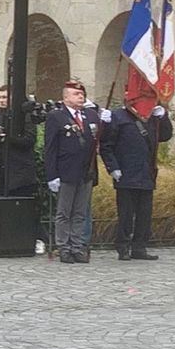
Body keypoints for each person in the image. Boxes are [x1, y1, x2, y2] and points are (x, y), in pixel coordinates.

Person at [100, 102, 173, 261]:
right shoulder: (118, 116)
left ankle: (139, 247)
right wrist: (113, 167)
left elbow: (165, 135)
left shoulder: (151, 117)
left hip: (146, 172)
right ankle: (123, 247)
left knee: (144, 215)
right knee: (126, 214)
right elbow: (106, 145)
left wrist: (163, 117)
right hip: (126, 172)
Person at [44, 80, 100, 264]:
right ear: (65, 97)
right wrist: (52, 175)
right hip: (66, 171)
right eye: (76, 94)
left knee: (80, 212)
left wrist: (105, 120)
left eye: (82, 94)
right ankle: (64, 247)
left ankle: (77, 246)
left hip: (86, 171)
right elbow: (51, 148)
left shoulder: (90, 115)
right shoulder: (56, 117)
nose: (81, 96)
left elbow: (97, 140)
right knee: (64, 212)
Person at [0, 86, 45, 254]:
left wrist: (8, 139)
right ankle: (8, 239)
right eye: (0, 97)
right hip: (3, 168)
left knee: (25, 208)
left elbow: (29, 140)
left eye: (5, 97)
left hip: (21, 169)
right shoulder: (0, 113)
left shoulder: (25, 115)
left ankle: (37, 238)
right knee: (5, 206)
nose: (2, 100)